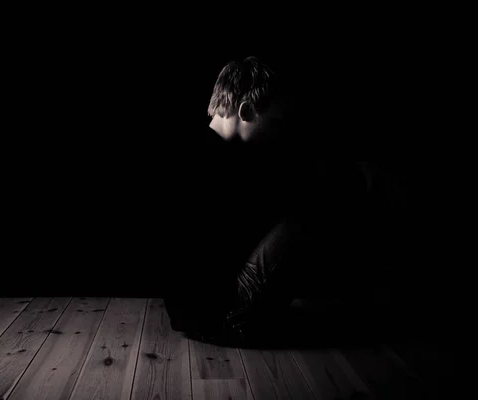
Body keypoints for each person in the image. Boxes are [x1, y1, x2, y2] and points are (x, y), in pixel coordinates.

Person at [163, 56, 397, 347]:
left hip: (201, 315)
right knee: (323, 203)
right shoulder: (211, 162)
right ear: (245, 111)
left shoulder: (208, 152)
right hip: (225, 318)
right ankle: (384, 296)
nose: (277, 131)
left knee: (325, 195)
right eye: (274, 122)